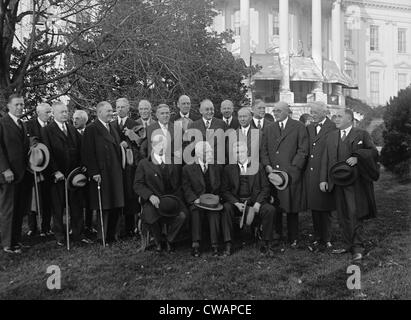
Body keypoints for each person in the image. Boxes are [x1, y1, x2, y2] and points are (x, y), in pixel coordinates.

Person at [320, 108, 379, 262]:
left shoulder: (361, 134)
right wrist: (323, 179)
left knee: (355, 213)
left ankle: (358, 247)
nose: (336, 119)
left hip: (356, 183)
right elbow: (325, 159)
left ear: (349, 119)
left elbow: (373, 152)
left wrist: (358, 158)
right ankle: (347, 244)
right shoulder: (331, 136)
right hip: (337, 182)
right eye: (335, 116)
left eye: (339, 116)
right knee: (342, 215)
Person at [42, 102, 92, 246]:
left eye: (66, 111)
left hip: (73, 176)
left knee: (76, 205)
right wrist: (54, 171)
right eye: (62, 112)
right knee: (57, 207)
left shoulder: (72, 129)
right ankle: (60, 236)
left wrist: (82, 166)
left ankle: (78, 233)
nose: (65, 114)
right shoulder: (47, 130)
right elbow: (47, 152)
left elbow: (82, 148)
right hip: (57, 176)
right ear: (54, 113)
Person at [261, 101, 309, 248]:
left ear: (287, 112)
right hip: (273, 175)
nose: (275, 113)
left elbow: (303, 150)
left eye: (279, 111)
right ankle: (277, 235)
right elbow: (264, 151)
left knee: (292, 208)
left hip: (290, 175)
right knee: (275, 206)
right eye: (274, 111)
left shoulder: (298, 127)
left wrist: (292, 169)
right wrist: (268, 166)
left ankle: (293, 237)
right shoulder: (269, 128)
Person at [134, 134, 187, 253]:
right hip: (153, 199)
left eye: (164, 144)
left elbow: (181, 182)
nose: (162, 147)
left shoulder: (175, 161)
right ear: (153, 145)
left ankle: (169, 240)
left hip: (172, 199)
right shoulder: (144, 163)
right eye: (158, 144)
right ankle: (158, 241)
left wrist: (177, 198)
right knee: (151, 217)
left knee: (182, 216)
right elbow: (138, 184)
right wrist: (150, 196)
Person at [221, 142, 276, 256]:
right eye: (236, 152)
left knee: (270, 210)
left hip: (254, 201)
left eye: (241, 151)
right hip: (238, 202)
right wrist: (235, 203)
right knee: (226, 208)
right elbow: (224, 191)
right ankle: (228, 244)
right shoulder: (228, 168)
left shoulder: (258, 166)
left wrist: (258, 203)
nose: (239, 154)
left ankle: (266, 243)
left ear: (247, 152)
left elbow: (266, 188)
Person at [82, 101, 124, 243]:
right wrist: (94, 172)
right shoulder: (92, 129)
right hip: (101, 173)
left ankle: (113, 234)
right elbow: (87, 153)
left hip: (115, 171)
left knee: (115, 203)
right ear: (99, 112)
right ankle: (102, 236)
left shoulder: (113, 127)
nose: (111, 113)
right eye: (108, 111)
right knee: (104, 205)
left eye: (111, 110)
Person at [0, 94, 33, 254]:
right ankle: (7, 244)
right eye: (17, 104)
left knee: (19, 209)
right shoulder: (2, 123)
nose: (20, 107)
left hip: (23, 174)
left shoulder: (23, 124)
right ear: (9, 106)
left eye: (22, 104)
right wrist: (5, 169)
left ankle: (16, 241)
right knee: (9, 209)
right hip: (9, 174)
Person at [182, 141, 224, 257]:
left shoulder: (217, 166)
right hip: (197, 201)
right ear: (199, 154)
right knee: (195, 211)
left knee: (214, 213)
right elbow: (186, 188)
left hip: (213, 201)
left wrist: (218, 197)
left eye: (211, 151)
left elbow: (221, 185)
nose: (211, 153)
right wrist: (194, 199)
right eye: (208, 152)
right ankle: (196, 244)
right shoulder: (188, 168)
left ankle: (215, 245)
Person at [305, 102, 336, 252]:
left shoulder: (332, 128)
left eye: (315, 112)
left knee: (326, 208)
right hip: (311, 174)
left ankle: (327, 238)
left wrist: (327, 177)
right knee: (315, 208)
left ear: (324, 112)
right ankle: (318, 237)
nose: (312, 114)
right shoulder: (309, 127)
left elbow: (332, 154)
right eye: (311, 112)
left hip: (324, 173)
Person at [111, 98, 140, 238]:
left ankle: (130, 228)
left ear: (128, 108)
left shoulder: (134, 124)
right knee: (117, 194)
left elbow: (140, 144)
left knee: (129, 195)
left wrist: (128, 142)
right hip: (115, 166)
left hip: (130, 166)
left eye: (123, 107)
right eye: (118, 107)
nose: (120, 109)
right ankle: (117, 228)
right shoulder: (110, 125)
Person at [26, 102, 53, 237]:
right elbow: (29, 144)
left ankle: (46, 227)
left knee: (47, 198)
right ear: (38, 113)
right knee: (33, 198)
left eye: (50, 112)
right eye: (47, 112)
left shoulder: (51, 126)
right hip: (33, 167)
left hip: (49, 168)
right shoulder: (29, 125)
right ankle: (32, 227)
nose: (50, 114)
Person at [72, 109, 95, 236]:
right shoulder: (70, 133)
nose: (74, 121)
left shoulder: (90, 132)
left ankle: (89, 225)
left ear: (84, 120)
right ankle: (76, 226)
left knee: (89, 199)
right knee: (77, 201)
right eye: (74, 118)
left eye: (77, 119)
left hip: (89, 171)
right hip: (76, 173)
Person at [187, 99, 227, 164]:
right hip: (200, 165)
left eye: (212, 109)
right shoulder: (193, 126)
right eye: (207, 109)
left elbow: (227, 145)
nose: (210, 111)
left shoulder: (222, 124)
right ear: (201, 111)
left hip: (218, 164)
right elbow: (191, 148)